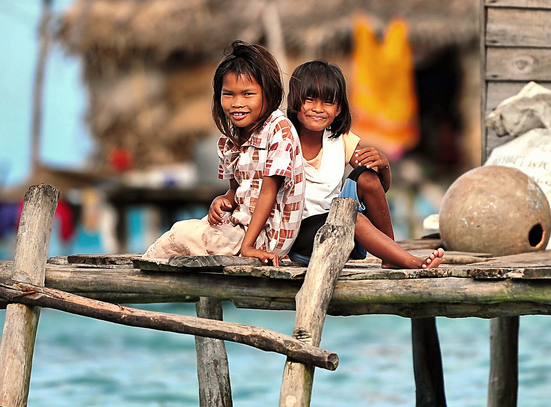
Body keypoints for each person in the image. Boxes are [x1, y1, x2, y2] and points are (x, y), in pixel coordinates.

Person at [144, 41, 304, 266]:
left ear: (269, 93)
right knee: (182, 235)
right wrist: (222, 201)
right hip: (240, 228)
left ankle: (138, 280)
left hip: (266, 238)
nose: (237, 103)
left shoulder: (280, 130)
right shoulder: (231, 141)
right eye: (228, 94)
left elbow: (268, 193)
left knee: (180, 235)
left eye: (248, 94)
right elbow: (235, 190)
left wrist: (248, 246)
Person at [286, 59, 443, 269]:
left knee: (366, 176)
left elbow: (376, 187)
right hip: (298, 237)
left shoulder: (340, 140)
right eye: (310, 100)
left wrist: (384, 165)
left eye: (327, 102)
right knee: (352, 218)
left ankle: (391, 256)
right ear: (295, 102)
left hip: (336, 230)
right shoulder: (284, 138)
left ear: (339, 109)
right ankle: (410, 261)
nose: (318, 109)